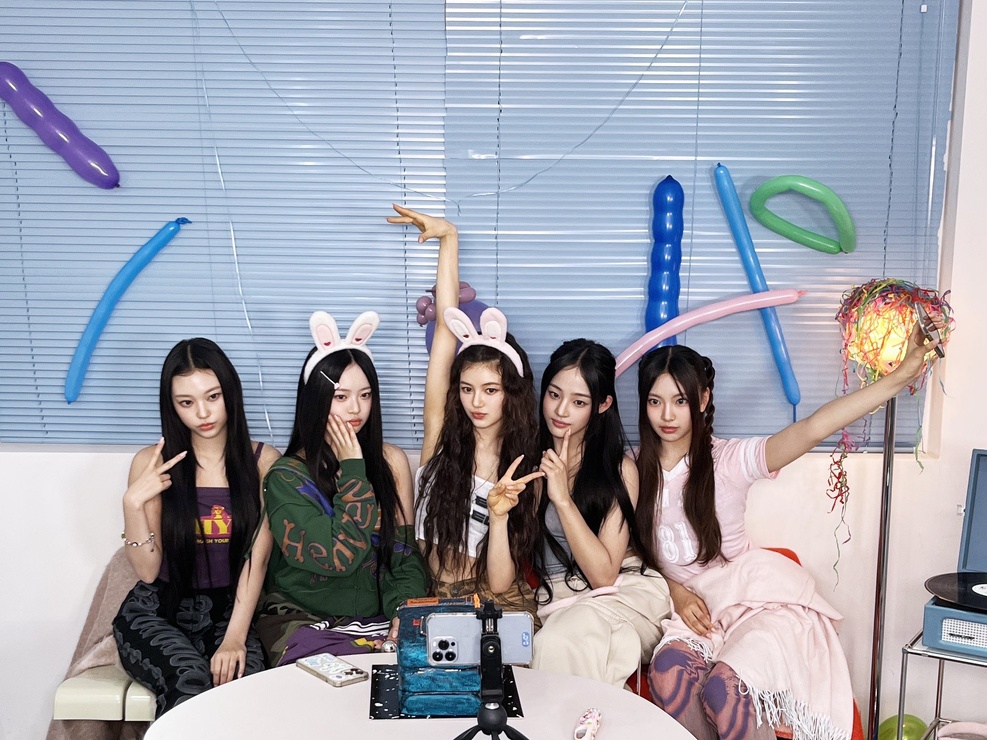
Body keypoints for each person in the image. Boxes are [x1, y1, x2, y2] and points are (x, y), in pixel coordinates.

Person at [639, 322, 942, 740]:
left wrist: (902, 375)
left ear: (703, 399)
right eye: (655, 402)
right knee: (669, 674)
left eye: (680, 400)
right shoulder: (633, 470)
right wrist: (675, 590)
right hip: (693, 613)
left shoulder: (730, 459)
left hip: (753, 602)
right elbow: (629, 552)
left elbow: (813, 428)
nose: (667, 415)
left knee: (725, 690)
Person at [387, 205, 544, 621]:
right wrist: (448, 238)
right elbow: (444, 327)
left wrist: (499, 516)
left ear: (511, 394)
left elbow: (500, 583)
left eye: (491, 390)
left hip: (493, 600)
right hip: (430, 594)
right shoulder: (440, 436)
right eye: (467, 389)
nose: (476, 402)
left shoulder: (523, 468)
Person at [113, 338, 280, 716]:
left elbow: (257, 559)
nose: (203, 412)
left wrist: (235, 638)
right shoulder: (152, 462)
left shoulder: (263, 461)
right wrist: (132, 504)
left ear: (230, 393)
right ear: (172, 406)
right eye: (186, 403)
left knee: (246, 691)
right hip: (158, 610)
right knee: (189, 680)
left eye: (213, 396)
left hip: (229, 612)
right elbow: (147, 571)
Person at [256, 310, 427, 666]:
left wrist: (404, 612)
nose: (356, 409)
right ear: (316, 399)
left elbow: (402, 556)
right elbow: (337, 557)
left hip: (375, 622)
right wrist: (353, 468)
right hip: (302, 622)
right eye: (341, 397)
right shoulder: (285, 476)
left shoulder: (391, 461)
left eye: (365, 395)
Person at [529, 339, 671, 686]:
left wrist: (562, 499)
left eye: (578, 402)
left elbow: (604, 576)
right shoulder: (529, 465)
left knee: (561, 638)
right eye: (554, 394)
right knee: (571, 638)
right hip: (562, 601)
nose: (561, 410)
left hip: (622, 595)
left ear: (603, 404)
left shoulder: (619, 470)